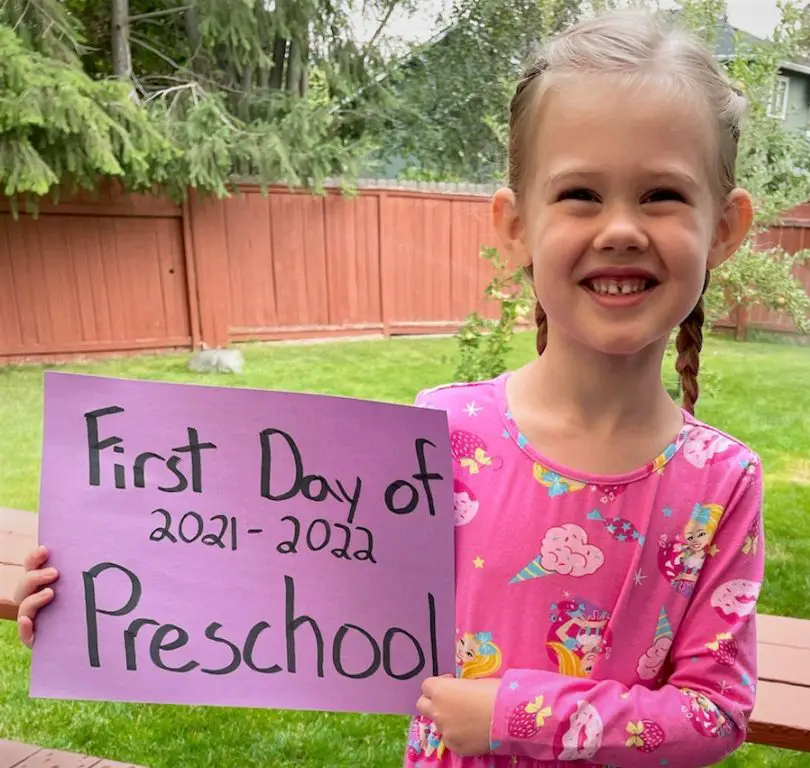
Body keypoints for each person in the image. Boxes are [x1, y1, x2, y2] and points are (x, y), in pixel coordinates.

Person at [16, 8, 765, 768]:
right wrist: (105, 592)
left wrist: (518, 714)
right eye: (579, 194)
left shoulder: (720, 482)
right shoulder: (442, 434)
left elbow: (714, 712)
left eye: (662, 195)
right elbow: (294, 584)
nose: (620, 229)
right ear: (515, 226)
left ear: (725, 228)